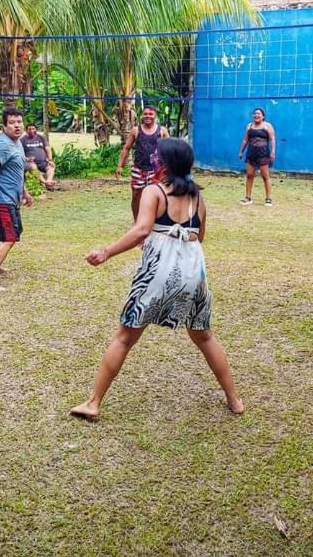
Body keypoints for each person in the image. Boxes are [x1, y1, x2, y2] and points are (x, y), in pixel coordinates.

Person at [71, 138, 244, 421]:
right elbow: (198, 238)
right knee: (204, 335)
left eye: (156, 157)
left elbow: (141, 231)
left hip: (158, 273)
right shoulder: (197, 198)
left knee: (125, 337)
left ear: (164, 164)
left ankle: (93, 403)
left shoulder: (154, 191)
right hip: (193, 274)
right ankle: (234, 399)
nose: (153, 160)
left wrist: (106, 252)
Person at [0, 107, 33, 293]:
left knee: (12, 232)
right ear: (4, 126)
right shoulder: (1, 144)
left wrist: (25, 192)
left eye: (19, 122)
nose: (17, 126)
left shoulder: (16, 143)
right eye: (12, 123)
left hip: (10, 198)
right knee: (9, 237)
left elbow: (16, 171)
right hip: (0, 199)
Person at [115, 105, 170, 220]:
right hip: (138, 170)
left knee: (156, 196)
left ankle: (153, 220)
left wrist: (169, 168)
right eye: (145, 114)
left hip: (156, 171)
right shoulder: (136, 130)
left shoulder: (162, 131)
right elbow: (126, 148)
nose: (148, 116)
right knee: (136, 196)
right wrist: (119, 166)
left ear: (155, 116)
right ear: (142, 115)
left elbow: (169, 150)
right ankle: (136, 221)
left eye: (150, 114)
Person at [237, 107, 276, 205]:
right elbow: (245, 140)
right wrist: (241, 151)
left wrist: (273, 152)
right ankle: (248, 198)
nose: (256, 115)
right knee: (249, 175)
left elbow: (272, 139)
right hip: (251, 154)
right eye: (254, 113)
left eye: (258, 113)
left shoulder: (267, 126)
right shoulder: (249, 126)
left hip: (263, 155)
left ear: (263, 116)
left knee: (265, 176)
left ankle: (268, 199)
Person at [21, 122, 57, 189]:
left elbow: (47, 148)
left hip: (43, 162)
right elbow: (19, 153)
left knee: (51, 166)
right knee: (33, 167)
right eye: (29, 129)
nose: (31, 130)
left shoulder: (41, 137)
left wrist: (50, 159)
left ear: (36, 130)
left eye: (33, 129)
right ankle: (45, 182)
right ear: (26, 131)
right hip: (30, 162)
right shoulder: (22, 140)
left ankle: (49, 180)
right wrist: (26, 158)